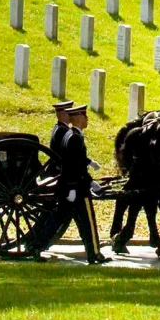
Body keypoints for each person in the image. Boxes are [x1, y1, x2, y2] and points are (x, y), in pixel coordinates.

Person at [30, 104, 109, 264]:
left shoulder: (71, 135)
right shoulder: (73, 138)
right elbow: (72, 166)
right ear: (79, 118)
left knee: (59, 219)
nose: (87, 119)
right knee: (87, 221)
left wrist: (90, 180)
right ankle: (93, 254)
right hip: (76, 188)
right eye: (85, 116)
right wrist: (83, 184)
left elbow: (76, 163)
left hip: (72, 187)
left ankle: (36, 246)